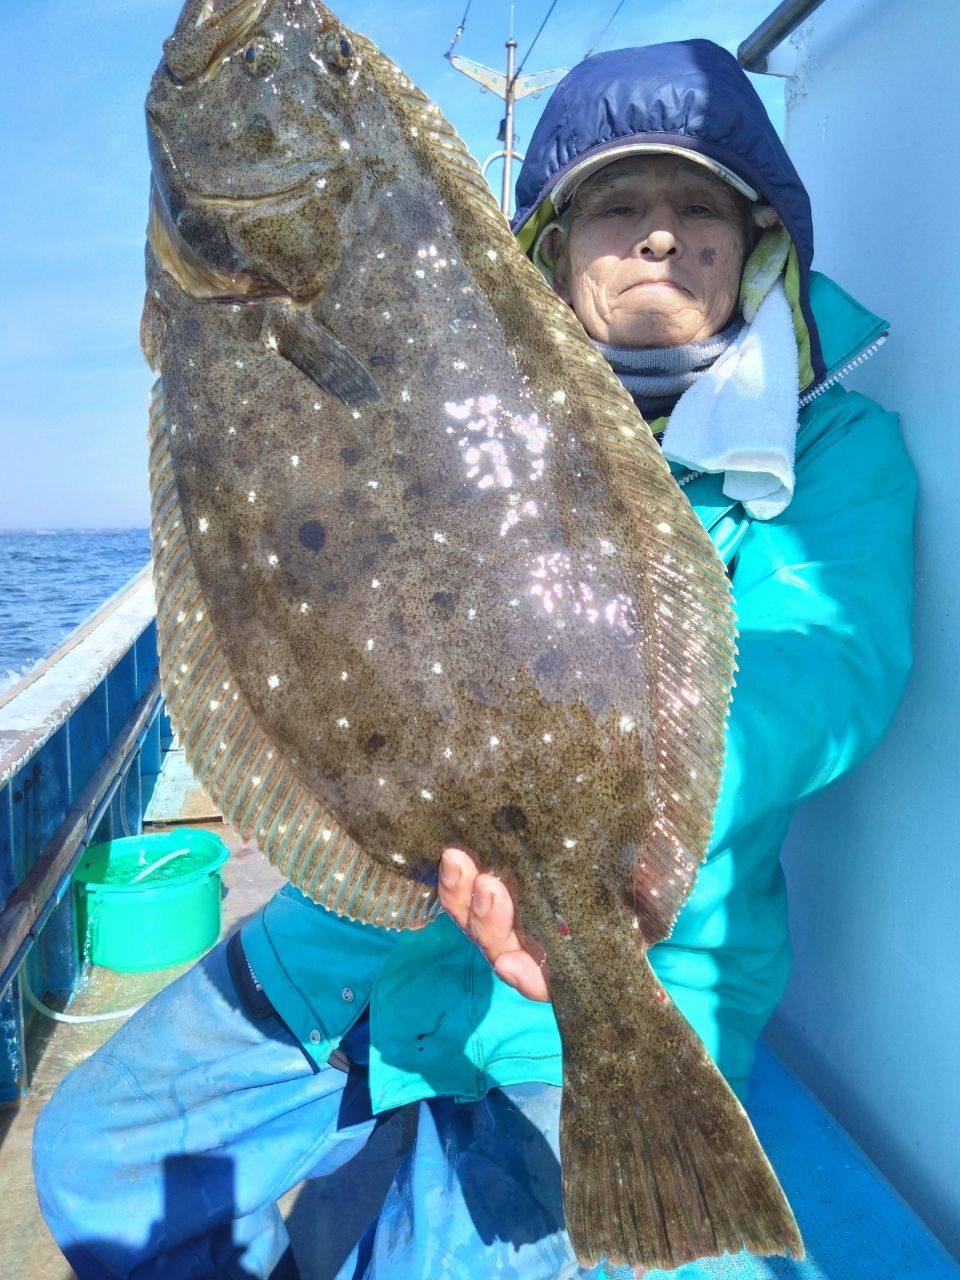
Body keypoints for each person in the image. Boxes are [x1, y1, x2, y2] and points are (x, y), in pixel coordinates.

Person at [33, 39, 914, 1280]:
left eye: (700, 206)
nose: (661, 235)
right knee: (91, 1161)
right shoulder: (441, 377)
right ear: (552, 244)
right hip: (360, 939)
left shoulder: (837, 453)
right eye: (620, 204)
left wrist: (618, 837)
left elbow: (827, 673)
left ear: (759, 240)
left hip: (616, 985)